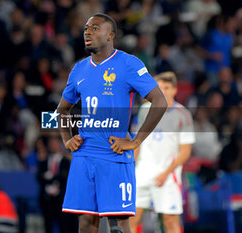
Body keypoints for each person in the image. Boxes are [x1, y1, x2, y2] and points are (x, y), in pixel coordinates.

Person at [57, 13, 168, 233]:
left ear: (111, 36)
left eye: (95, 28)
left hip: (113, 154)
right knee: (86, 223)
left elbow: (160, 101)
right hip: (84, 156)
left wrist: (136, 141)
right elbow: (62, 109)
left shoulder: (128, 63)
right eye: (86, 28)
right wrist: (67, 138)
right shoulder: (79, 69)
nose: (88, 32)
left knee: (118, 224)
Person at [129, 72, 195, 233]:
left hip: (167, 176)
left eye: (166, 88)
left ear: (174, 90)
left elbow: (185, 151)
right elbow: (137, 143)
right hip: (142, 173)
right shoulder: (144, 110)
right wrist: (131, 169)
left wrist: (166, 173)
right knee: (131, 218)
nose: (163, 91)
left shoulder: (183, 115)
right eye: (159, 88)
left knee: (170, 221)